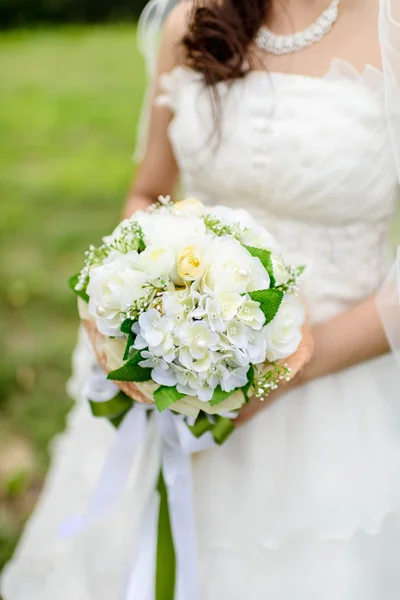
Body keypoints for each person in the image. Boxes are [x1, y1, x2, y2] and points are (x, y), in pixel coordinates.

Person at [2, 0, 400, 598]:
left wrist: (277, 374)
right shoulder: (192, 18)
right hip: (177, 368)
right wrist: (141, 308)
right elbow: (146, 193)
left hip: (341, 387)